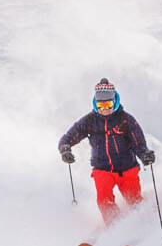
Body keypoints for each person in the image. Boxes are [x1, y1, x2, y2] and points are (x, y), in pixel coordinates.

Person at [58, 78, 156, 225]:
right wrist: (65, 150)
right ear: (95, 104)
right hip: (102, 169)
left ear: (115, 101)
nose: (105, 109)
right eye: (101, 105)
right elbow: (69, 137)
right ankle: (115, 226)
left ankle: (143, 222)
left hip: (127, 168)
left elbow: (138, 142)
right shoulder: (90, 121)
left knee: (133, 198)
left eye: (108, 104)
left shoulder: (125, 120)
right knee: (104, 200)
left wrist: (144, 155)